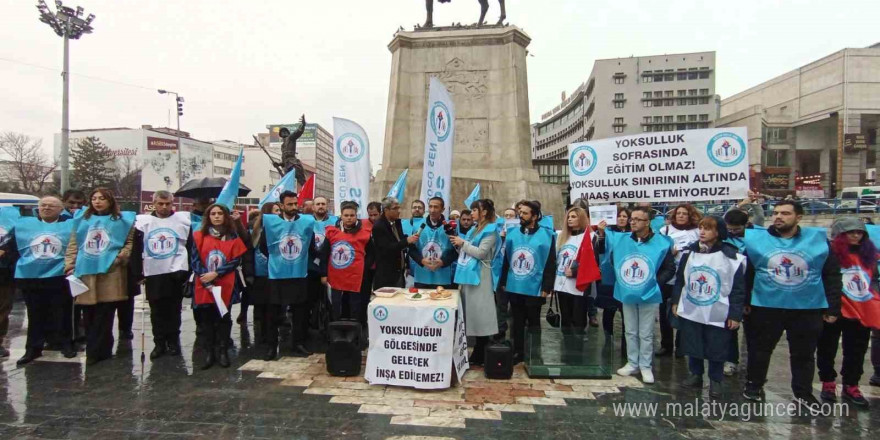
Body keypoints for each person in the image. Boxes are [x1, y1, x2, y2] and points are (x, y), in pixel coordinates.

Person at [742, 200, 841, 410]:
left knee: (804, 354)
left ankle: (803, 393)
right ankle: (754, 385)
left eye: (785, 213)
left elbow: (831, 274)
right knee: (759, 349)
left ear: (799, 217)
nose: (778, 216)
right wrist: (745, 301)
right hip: (766, 306)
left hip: (807, 308)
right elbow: (747, 273)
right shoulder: (758, 240)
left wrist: (833, 307)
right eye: (776, 212)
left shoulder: (817, 241)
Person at [600, 206, 676, 384]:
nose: (632, 221)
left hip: (648, 292)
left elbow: (669, 267)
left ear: (648, 222)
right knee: (630, 329)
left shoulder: (662, 242)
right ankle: (632, 362)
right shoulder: (622, 239)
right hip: (627, 290)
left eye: (637, 219)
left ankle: (645, 365)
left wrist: (654, 282)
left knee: (646, 331)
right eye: (631, 218)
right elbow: (613, 259)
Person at [672, 216, 745, 398]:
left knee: (716, 345)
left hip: (717, 309)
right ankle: (695, 374)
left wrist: (735, 315)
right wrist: (675, 301)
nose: (702, 232)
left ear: (718, 232)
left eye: (708, 229)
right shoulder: (690, 253)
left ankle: (715, 379)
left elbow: (737, 288)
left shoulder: (730, 256)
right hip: (693, 306)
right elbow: (681, 279)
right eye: (701, 228)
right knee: (693, 341)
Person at [64, 188, 136, 365]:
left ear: (110, 201)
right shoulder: (82, 219)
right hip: (86, 269)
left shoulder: (122, 221)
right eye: (94, 198)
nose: (97, 201)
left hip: (110, 271)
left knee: (105, 313)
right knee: (88, 313)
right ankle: (92, 348)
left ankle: (101, 350)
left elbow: (129, 243)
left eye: (102, 198)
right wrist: (70, 265)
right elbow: (74, 244)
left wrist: (120, 258)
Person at [816, 217, 880, 407]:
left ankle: (851, 384)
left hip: (861, 309)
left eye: (859, 232)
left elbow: (873, 280)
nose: (855, 235)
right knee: (827, 348)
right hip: (834, 309)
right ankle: (828, 382)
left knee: (856, 351)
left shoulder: (869, 256)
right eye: (851, 232)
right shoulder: (829, 254)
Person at [12, 197, 76, 364]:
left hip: (59, 276)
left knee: (63, 312)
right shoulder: (24, 225)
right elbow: (11, 246)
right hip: (31, 277)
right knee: (35, 314)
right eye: (43, 205)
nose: (47, 208)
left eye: (51, 205)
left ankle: (66, 344)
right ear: (38, 208)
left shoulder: (70, 224)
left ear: (60, 209)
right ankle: (33, 348)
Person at [260, 191, 322, 359]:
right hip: (277, 274)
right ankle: (272, 347)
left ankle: (298, 344)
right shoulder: (272, 223)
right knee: (273, 312)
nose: (294, 207)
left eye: (296, 204)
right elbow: (263, 247)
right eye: (290, 204)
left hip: (299, 273)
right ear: (281, 206)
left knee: (300, 312)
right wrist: (278, 259)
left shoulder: (307, 222)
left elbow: (310, 247)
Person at [135, 191, 191, 360]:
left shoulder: (182, 221)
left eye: (167, 204)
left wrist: (185, 270)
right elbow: (137, 248)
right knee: (156, 310)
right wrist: (138, 272)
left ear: (172, 204)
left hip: (175, 271)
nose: (164, 207)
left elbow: (188, 246)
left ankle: (173, 341)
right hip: (153, 272)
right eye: (160, 203)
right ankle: (159, 342)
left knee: (174, 309)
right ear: (154, 203)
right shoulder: (144, 222)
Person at [498, 200, 556, 365]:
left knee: (534, 321)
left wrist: (547, 286)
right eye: (520, 213)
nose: (521, 216)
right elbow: (507, 259)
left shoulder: (547, 235)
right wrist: (503, 280)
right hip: (515, 284)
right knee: (517, 320)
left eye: (525, 213)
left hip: (535, 286)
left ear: (535, 216)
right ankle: (519, 352)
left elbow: (550, 262)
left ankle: (534, 353)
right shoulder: (513, 233)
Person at [191, 204, 247, 369]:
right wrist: (206, 278)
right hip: (204, 284)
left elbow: (235, 260)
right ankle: (209, 352)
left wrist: (216, 273)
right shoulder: (199, 236)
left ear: (225, 216)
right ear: (208, 217)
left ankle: (223, 350)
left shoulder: (232, 236)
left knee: (224, 317)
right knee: (207, 318)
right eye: (213, 214)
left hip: (225, 283)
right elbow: (195, 260)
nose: (216, 216)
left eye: (220, 213)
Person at [451, 199, 500, 365]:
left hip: (482, 275)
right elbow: (467, 249)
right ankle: (478, 349)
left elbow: (480, 252)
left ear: (484, 212)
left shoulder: (491, 230)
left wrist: (462, 243)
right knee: (472, 311)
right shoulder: (474, 229)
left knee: (481, 312)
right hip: (469, 274)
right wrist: (459, 245)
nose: (471, 213)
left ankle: (482, 348)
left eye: (474, 210)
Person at [657, 204, 701, 358]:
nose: (681, 216)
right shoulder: (665, 231)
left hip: (687, 280)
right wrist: (669, 253)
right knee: (664, 314)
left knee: (683, 312)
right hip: (668, 278)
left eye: (684, 213)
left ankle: (681, 346)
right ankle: (666, 345)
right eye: (679, 213)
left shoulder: (697, 232)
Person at [322, 201, 373, 322]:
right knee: (336, 304)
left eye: (352, 215)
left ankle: (355, 331)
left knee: (355, 304)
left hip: (355, 276)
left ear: (356, 216)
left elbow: (372, 254)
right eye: (346, 215)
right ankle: (334, 329)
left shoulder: (365, 234)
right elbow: (324, 254)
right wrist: (323, 274)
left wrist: (363, 268)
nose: (349, 218)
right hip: (336, 275)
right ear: (341, 216)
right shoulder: (332, 232)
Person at [721, 208, 751, 376]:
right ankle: (731, 359)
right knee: (730, 325)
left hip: (751, 286)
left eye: (736, 229)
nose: (732, 232)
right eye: (729, 228)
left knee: (753, 330)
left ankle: (752, 362)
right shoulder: (724, 239)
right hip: (730, 285)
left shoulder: (754, 239)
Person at [554, 207, 591, 334]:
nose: (569, 219)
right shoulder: (560, 236)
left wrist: (575, 272)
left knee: (578, 322)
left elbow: (592, 264)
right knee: (565, 321)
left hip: (578, 286)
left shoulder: (590, 237)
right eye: (568, 217)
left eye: (574, 217)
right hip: (561, 284)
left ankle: (578, 350)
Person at [409, 197, 458, 289]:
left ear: (442, 209)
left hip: (442, 277)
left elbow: (456, 251)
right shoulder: (417, 225)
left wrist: (443, 262)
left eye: (436, 207)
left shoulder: (450, 227)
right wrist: (422, 260)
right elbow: (411, 249)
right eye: (430, 206)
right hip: (422, 276)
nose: (432, 210)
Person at [596, 206, 630, 337]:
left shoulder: (633, 233)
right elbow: (600, 250)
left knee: (625, 310)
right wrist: (601, 233)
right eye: (619, 216)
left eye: (624, 216)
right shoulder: (608, 231)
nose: (621, 219)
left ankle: (626, 336)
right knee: (609, 309)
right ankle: (607, 335)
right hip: (609, 275)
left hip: (626, 277)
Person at [372, 197, 418, 289]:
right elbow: (387, 248)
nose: (399, 211)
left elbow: (399, 241)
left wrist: (409, 239)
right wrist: (407, 241)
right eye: (395, 208)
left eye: (399, 208)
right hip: (386, 274)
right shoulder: (379, 226)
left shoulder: (397, 222)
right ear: (386, 210)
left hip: (400, 270)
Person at [249, 203, 278, 350]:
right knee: (260, 306)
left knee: (273, 307)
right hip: (260, 273)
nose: (279, 213)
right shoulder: (256, 230)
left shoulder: (279, 228)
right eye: (276, 210)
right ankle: (262, 335)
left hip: (276, 273)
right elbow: (249, 250)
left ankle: (271, 334)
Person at [61, 189, 87, 342]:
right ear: (64, 201)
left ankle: (78, 332)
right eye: (71, 202)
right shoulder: (59, 217)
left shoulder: (86, 217)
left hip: (79, 265)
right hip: (58, 266)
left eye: (79, 203)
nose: (75, 206)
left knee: (79, 302)